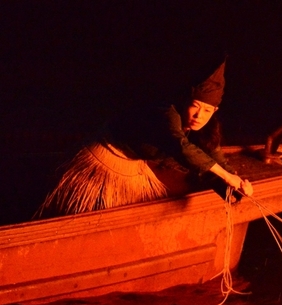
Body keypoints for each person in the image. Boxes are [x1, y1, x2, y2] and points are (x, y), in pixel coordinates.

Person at [37, 60, 252, 218]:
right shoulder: (167, 113)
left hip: (134, 166)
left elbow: (214, 155)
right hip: (106, 157)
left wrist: (236, 181)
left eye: (207, 111)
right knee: (84, 215)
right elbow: (181, 146)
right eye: (195, 106)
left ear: (215, 110)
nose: (199, 116)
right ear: (185, 101)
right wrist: (224, 175)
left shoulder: (207, 126)